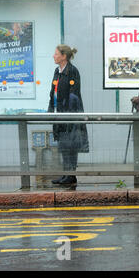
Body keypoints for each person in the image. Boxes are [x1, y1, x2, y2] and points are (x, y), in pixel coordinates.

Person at [48, 44, 89, 187]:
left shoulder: (72, 71)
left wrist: (67, 113)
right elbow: (53, 91)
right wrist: (50, 109)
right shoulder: (57, 71)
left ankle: (71, 175)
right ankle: (66, 174)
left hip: (70, 115)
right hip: (58, 114)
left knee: (70, 144)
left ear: (63, 56)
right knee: (63, 143)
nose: (53, 56)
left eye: (56, 53)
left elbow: (74, 94)